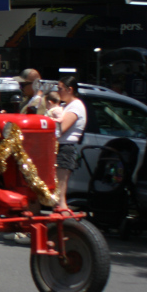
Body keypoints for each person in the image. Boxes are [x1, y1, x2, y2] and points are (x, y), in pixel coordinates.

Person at [55, 75, 86, 210]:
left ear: (70, 89)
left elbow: (60, 130)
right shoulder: (65, 105)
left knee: (60, 196)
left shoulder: (76, 106)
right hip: (59, 148)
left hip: (65, 149)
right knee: (55, 193)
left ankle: (65, 225)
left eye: (60, 88)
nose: (58, 92)